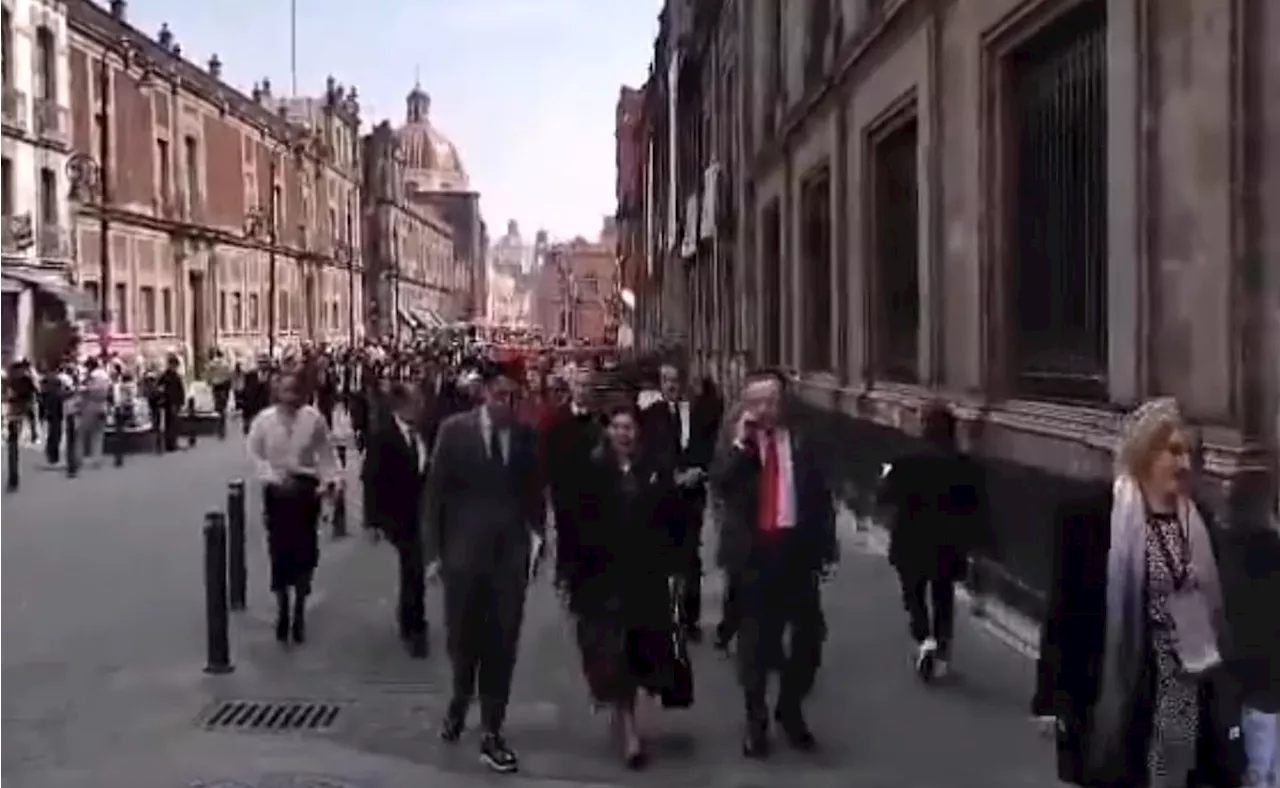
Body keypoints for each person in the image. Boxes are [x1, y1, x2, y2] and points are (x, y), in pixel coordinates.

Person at [1032, 398, 1234, 787]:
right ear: (1144, 450)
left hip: (1187, 697)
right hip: (1122, 693)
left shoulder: (1200, 523)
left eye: (1190, 454)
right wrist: (1051, 697)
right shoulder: (1090, 519)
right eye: (1174, 451)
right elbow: (1063, 613)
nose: (1185, 465)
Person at [422, 358, 546, 773]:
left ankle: (492, 728)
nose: (505, 404)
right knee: (463, 640)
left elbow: (535, 494)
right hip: (462, 555)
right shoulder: (454, 432)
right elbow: (435, 495)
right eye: (499, 395)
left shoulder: (526, 436)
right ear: (483, 393)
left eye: (513, 397)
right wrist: (434, 554)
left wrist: (537, 540)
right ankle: (460, 698)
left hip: (508, 559)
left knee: (503, 643)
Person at [710, 369, 836, 758]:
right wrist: (742, 445)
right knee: (754, 646)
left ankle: (790, 706)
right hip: (753, 556)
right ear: (745, 405)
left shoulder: (801, 439)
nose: (763, 408)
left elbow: (818, 494)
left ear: (783, 402)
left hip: (795, 553)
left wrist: (826, 547)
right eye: (755, 401)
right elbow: (720, 483)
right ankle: (756, 720)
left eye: (770, 400)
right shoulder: (738, 443)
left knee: (809, 639)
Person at [568, 404, 679, 768]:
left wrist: (672, 563)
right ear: (608, 432)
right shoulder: (591, 471)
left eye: (628, 427)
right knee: (610, 654)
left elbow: (668, 520)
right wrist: (574, 577)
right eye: (616, 427)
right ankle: (624, 718)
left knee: (634, 652)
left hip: (642, 580)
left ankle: (626, 717)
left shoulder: (653, 470)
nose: (623, 434)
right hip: (603, 579)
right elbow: (576, 526)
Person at [877, 401, 986, 682]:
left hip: (910, 540)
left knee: (913, 593)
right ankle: (942, 653)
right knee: (943, 596)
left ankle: (924, 638)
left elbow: (884, 496)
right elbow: (976, 508)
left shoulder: (904, 461)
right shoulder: (965, 465)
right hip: (948, 544)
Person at [246, 371, 339, 646]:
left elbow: (325, 455)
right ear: (277, 394)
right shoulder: (264, 422)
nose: (291, 398)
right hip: (277, 493)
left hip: (305, 490)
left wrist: (329, 481)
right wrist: (271, 477)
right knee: (280, 551)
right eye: (286, 392)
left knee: (306, 550)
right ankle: (282, 605)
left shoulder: (314, 420)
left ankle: (299, 605)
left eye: (295, 393)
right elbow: (254, 453)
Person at [640, 362, 718, 641]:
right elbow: (647, 452)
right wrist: (667, 475)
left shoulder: (696, 414)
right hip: (664, 496)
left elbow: (708, 446)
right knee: (663, 556)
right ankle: (663, 615)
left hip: (692, 495)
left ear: (681, 383)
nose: (671, 385)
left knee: (690, 559)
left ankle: (690, 619)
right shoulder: (650, 416)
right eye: (666, 380)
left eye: (675, 380)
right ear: (660, 384)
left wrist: (698, 470)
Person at [364, 382, 431, 658]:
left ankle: (412, 617)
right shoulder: (383, 435)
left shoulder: (424, 432)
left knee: (415, 567)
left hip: (423, 512)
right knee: (413, 566)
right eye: (416, 403)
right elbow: (371, 478)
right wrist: (372, 521)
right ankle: (413, 625)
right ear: (401, 406)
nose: (421, 409)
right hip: (398, 514)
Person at [542, 366, 603, 591]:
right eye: (579, 385)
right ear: (572, 388)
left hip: (595, 493)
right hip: (566, 493)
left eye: (587, 385)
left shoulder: (600, 420)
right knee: (567, 535)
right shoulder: (558, 420)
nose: (582, 390)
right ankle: (566, 576)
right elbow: (549, 455)